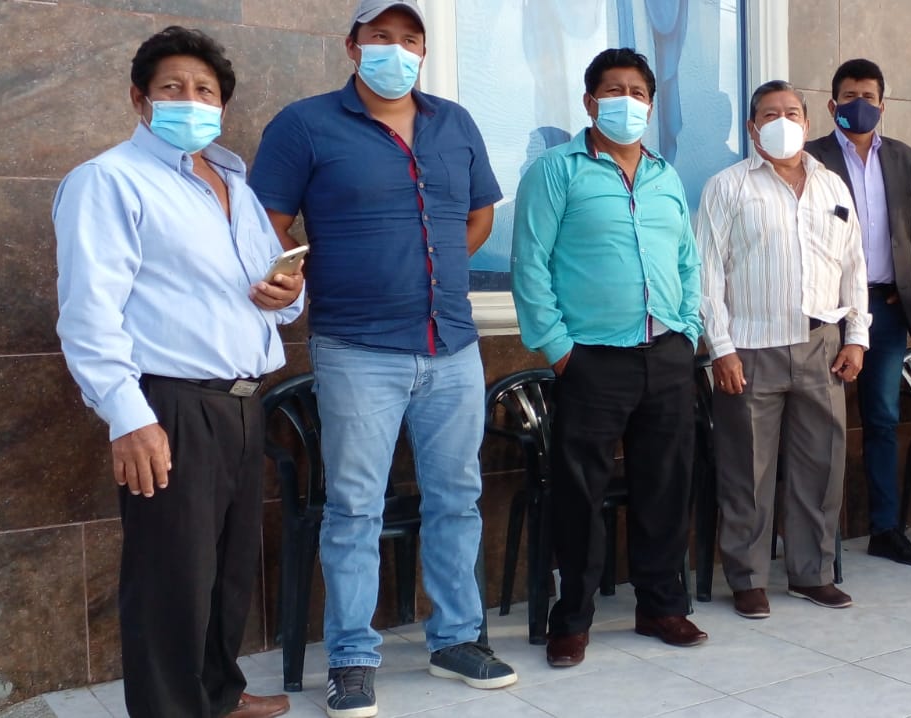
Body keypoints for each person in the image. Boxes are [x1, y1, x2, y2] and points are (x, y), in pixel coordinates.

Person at [249, 2, 516, 713]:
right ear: (353, 46)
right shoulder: (305, 124)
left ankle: (456, 639)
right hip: (357, 349)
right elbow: (263, 223)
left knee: (457, 498)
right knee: (355, 508)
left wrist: (439, 264)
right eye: (380, 38)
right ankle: (352, 658)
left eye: (409, 40)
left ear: (423, 52)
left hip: (452, 344)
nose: (396, 51)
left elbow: (480, 213)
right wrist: (300, 271)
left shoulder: (454, 123)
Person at [53, 25, 298, 718]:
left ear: (222, 105)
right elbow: (89, 313)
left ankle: (218, 694)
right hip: (170, 403)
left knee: (226, 570)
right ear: (139, 99)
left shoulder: (234, 184)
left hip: (243, 403)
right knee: (171, 577)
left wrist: (288, 292)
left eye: (205, 90)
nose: (191, 100)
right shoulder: (109, 181)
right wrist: (129, 418)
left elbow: (277, 290)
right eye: (173, 88)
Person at [512, 48, 707, 667]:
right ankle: (572, 618)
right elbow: (530, 264)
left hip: (667, 355)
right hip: (592, 360)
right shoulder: (556, 170)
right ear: (590, 101)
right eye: (614, 90)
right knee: (579, 493)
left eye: (638, 92)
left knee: (666, 486)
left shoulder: (666, 176)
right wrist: (560, 351)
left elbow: (688, 262)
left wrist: (690, 329)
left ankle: (660, 606)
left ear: (651, 104)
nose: (627, 101)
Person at [696, 80, 868, 619]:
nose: (783, 122)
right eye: (770, 114)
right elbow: (706, 274)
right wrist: (721, 348)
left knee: (821, 466)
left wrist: (857, 337)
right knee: (747, 471)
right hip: (750, 348)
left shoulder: (832, 186)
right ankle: (747, 578)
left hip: (822, 347)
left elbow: (854, 266)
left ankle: (811, 574)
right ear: (753, 128)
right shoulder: (727, 187)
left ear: (809, 123)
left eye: (792, 112)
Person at [804, 59, 911, 567]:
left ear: (883, 103)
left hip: (884, 308)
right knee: (818, 422)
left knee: (881, 418)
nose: (860, 104)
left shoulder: (906, 159)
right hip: (825, 310)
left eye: (869, 96)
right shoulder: (809, 158)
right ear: (832, 104)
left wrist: (907, 289)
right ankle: (815, 537)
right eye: (849, 96)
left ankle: (885, 528)